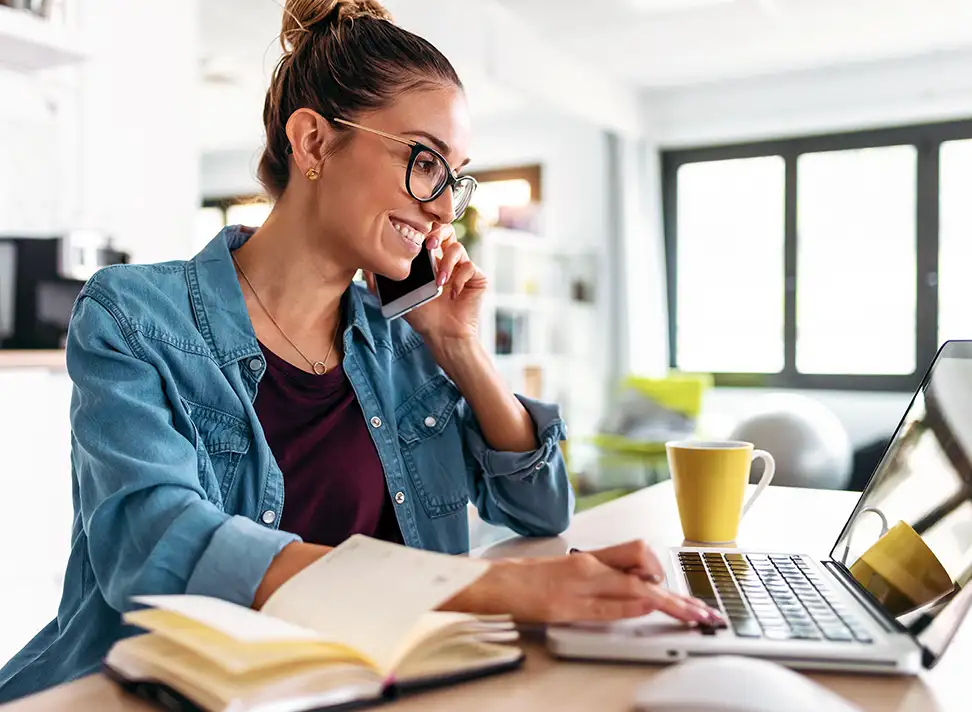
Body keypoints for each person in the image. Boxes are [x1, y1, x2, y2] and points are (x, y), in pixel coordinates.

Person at [0, 0, 720, 702]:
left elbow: (542, 507)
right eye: (425, 162)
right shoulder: (133, 316)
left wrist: (459, 347)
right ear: (313, 143)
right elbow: (153, 546)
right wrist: (494, 588)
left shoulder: (403, 335)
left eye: (455, 177)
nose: (444, 206)